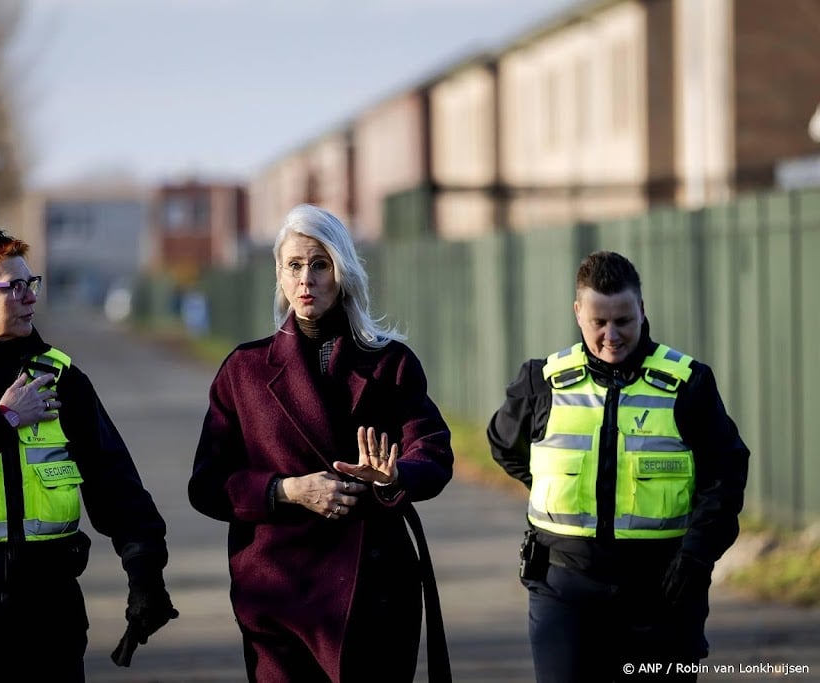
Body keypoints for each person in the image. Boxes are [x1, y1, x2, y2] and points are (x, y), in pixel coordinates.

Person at [0, 224, 178, 682]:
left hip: (50, 608)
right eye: (14, 286)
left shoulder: (63, 381)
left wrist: (146, 574)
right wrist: (3, 420)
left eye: (31, 283)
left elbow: (115, 484)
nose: (30, 297)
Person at [188, 204, 455, 682]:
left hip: (374, 594)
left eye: (319, 264)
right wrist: (287, 491)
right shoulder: (244, 371)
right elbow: (207, 485)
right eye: (294, 265)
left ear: (343, 271)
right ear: (279, 274)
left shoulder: (390, 363)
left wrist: (393, 478)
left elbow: (432, 452)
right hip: (276, 597)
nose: (306, 279)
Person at [487, 250, 750, 682]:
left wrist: (697, 558)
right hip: (563, 589)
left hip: (661, 590)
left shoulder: (688, 384)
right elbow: (503, 443)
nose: (611, 335)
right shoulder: (542, 380)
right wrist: (558, 485)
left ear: (642, 310)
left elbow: (726, 474)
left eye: (623, 321)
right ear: (578, 313)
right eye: (598, 322)